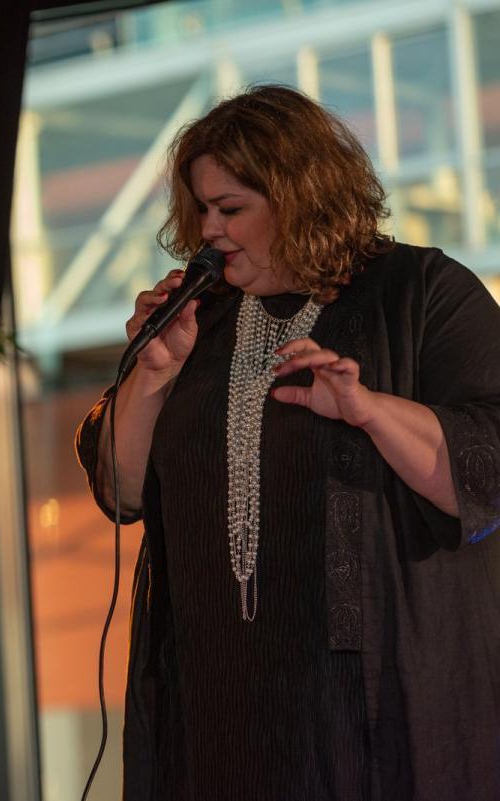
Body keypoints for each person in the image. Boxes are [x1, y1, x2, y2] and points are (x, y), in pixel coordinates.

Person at [76, 85, 500, 801]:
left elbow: (484, 472)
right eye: (200, 208)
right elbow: (121, 491)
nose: (209, 228)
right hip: (215, 705)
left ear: (300, 198)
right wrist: (153, 373)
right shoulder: (202, 319)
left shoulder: (421, 291)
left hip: (367, 708)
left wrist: (369, 410)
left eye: (231, 208)